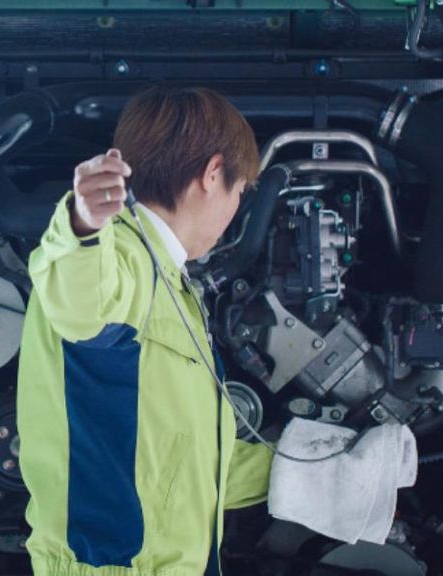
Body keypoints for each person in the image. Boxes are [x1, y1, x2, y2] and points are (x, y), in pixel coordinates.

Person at [16, 85, 274, 576]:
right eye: (239, 192)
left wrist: (309, 472)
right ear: (213, 173)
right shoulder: (123, 259)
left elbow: (182, 466)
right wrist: (82, 223)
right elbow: (82, 302)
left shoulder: (167, 280)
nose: (234, 211)